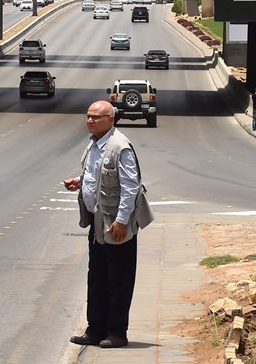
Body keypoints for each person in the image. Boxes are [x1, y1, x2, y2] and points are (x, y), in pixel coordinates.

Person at [63, 100, 154, 349]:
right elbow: (96, 175)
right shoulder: (94, 145)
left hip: (116, 225)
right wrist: (79, 182)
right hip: (98, 223)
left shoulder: (120, 146)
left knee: (119, 280)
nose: (90, 120)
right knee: (98, 277)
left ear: (110, 119)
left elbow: (131, 187)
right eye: (88, 116)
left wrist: (122, 221)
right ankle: (96, 329)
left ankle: (116, 332)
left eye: (96, 117)